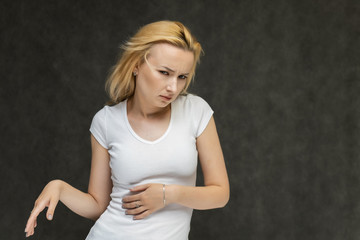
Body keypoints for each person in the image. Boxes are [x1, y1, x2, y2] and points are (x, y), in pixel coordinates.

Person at [25, 20, 229, 239]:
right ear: (136, 65)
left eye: (182, 77)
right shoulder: (106, 121)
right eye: (164, 72)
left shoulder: (196, 112)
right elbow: (98, 206)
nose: (173, 87)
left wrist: (167, 194)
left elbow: (220, 194)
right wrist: (59, 188)